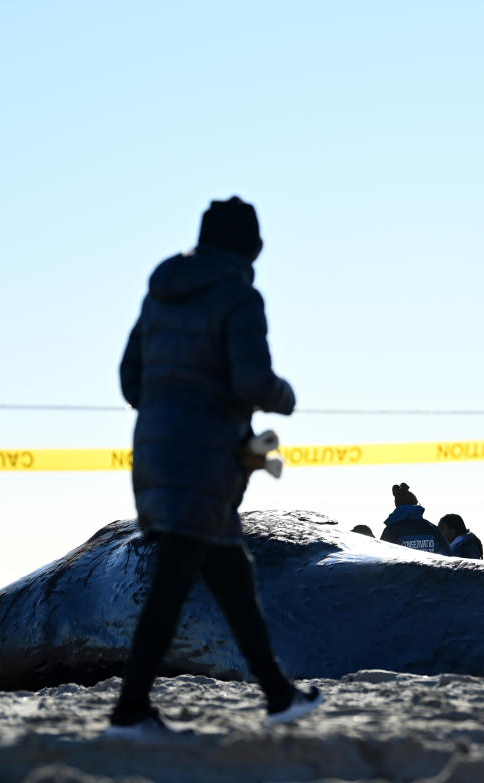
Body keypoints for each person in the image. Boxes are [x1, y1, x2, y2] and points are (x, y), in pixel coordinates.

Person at [110, 196, 323, 735]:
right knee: (172, 585)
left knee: (232, 574)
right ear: (250, 246)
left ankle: (278, 694)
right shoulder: (239, 296)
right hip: (204, 456)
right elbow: (252, 382)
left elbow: (130, 380)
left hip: (155, 449)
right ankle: (130, 710)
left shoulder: (160, 293)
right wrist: (285, 396)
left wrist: (171, 400)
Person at [380, 483, 452, 556]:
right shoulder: (433, 529)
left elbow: (382, 559)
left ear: (397, 506)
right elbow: (449, 559)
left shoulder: (390, 530)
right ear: (416, 504)